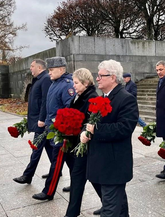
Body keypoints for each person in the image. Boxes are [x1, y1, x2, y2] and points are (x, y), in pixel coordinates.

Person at [81, 59, 138, 217]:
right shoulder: (103, 97)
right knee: (118, 205)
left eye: (101, 76)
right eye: (97, 75)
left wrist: (95, 130)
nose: (97, 78)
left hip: (113, 164)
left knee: (110, 209)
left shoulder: (126, 98)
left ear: (113, 77)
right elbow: (90, 122)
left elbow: (125, 128)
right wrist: (85, 131)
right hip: (100, 162)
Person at [32, 56, 76, 201]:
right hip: (53, 129)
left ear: (61, 69)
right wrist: (45, 122)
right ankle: (77, 183)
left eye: (51, 70)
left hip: (62, 132)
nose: (49, 73)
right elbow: (50, 106)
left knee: (56, 163)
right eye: (49, 70)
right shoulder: (54, 83)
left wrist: (61, 130)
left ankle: (48, 191)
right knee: (71, 161)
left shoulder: (66, 85)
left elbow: (69, 110)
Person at [65, 68, 102, 217]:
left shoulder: (91, 97)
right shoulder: (79, 96)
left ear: (86, 83)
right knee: (91, 178)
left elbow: (90, 122)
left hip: (86, 145)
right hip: (77, 143)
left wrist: (79, 130)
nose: (73, 85)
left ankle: (71, 213)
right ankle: (107, 203)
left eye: (76, 83)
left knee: (78, 177)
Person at [13, 59, 53, 185]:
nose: (30, 68)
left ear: (40, 67)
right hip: (37, 120)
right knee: (48, 147)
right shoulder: (39, 79)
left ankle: (27, 175)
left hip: (40, 121)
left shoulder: (45, 78)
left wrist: (41, 119)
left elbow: (45, 101)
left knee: (36, 148)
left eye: (32, 66)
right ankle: (56, 169)